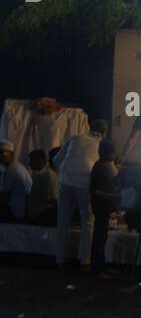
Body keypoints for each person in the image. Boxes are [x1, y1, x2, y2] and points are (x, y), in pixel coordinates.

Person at [54, 118, 107, 268]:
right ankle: (85, 262)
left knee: (63, 222)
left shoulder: (75, 137)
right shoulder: (101, 145)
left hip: (65, 180)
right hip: (85, 184)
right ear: (104, 132)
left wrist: (66, 173)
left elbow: (57, 160)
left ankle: (60, 261)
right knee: (87, 223)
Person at [90, 139, 121, 278]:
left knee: (103, 237)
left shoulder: (106, 165)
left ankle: (101, 267)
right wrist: (114, 196)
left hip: (104, 205)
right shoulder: (100, 167)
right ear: (103, 152)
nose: (113, 155)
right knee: (99, 237)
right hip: (100, 206)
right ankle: (97, 270)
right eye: (111, 153)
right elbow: (96, 191)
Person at [0, 140, 32, 222]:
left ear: (12, 155)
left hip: (14, 212)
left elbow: (4, 197)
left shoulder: (11, 170)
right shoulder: (19, 166)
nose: (1, 156)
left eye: (3, 153)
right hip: (22, 211)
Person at [27, 149, 58, 225]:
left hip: (42, 217)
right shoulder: (48, 174)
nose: (29, 164)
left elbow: (49, 200)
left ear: (39, 161)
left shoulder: (45, 175)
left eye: (31, 161)